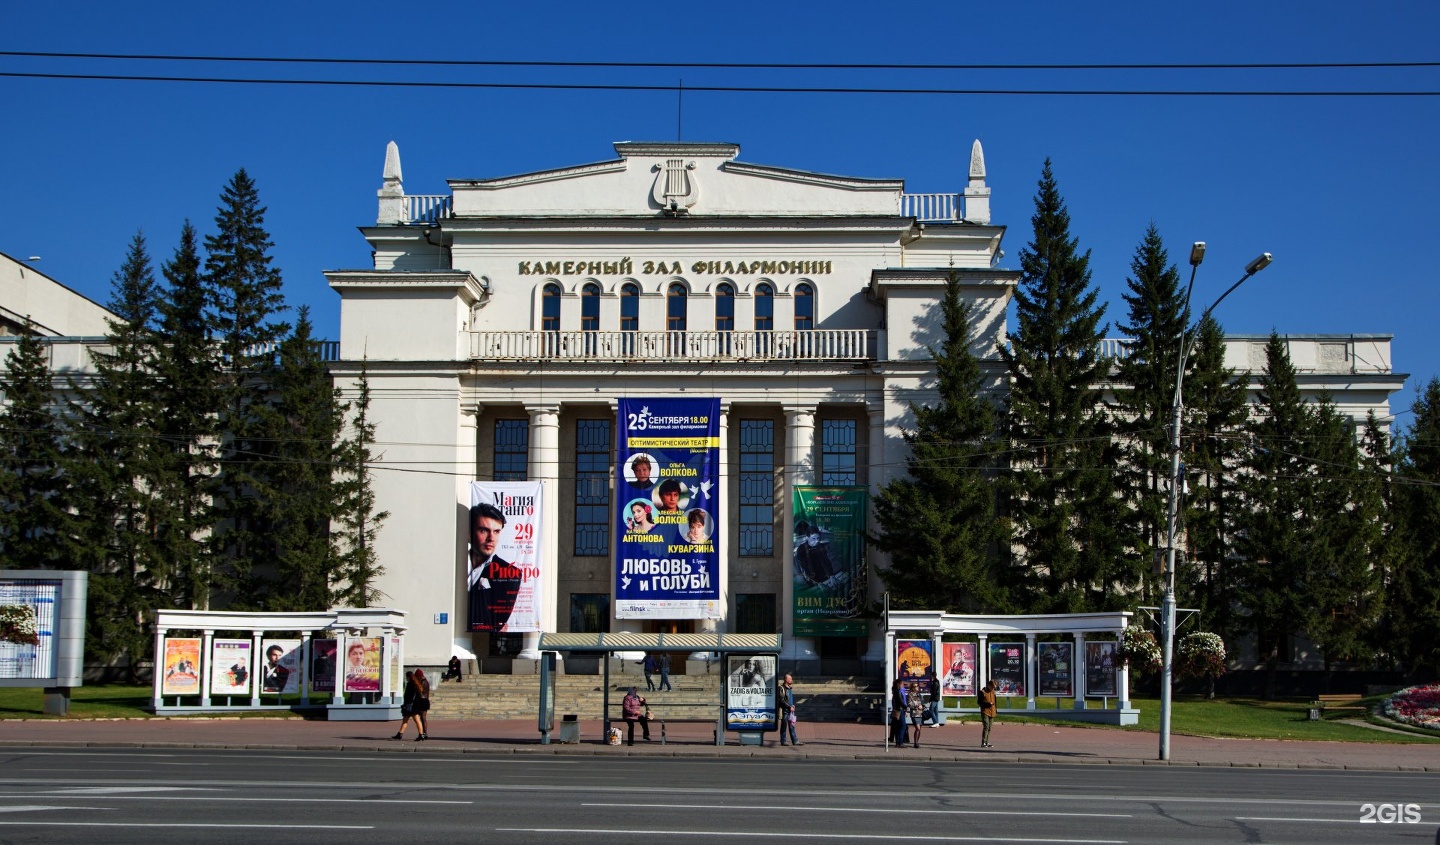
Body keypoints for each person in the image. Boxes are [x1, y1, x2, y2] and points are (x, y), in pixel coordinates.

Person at [467, 501, 523, 632]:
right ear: (469, 533)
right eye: (483, 530)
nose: (491, 538)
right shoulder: (451, 563)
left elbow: (496, 622)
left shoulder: (511, 573)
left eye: (496, 531)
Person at [394, 670, 419, 740]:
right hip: (412, 705)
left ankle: (421, 734)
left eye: (406, 677)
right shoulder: (415, 684)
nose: (406, 678)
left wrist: (407, 703)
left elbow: (409, 695)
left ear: (409, 677)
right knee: (413, 720)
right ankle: (400, 734)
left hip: (409, 705)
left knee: (412, 720)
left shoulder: (411, 684)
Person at [777, 673, 799, 746]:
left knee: (792, 726)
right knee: (784, 726)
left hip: (790, 710)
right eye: (790, 679)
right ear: (786, 679)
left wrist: (793, 705)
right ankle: (783, 741)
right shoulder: (781, 688)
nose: (791, 680)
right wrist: (789, 707)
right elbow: (781, 700)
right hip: (785, 711)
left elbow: (790, 699)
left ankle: (795, 741)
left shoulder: (790, 688)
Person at [411, 669, 431, 741]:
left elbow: (419, 691)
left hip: (422, 700)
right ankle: (423, 733)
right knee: (422, 718)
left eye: (416, 676)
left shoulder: (422, 682)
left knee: (422, 718)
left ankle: (423, 733)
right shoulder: (425, 681)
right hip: (424, 700)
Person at [978, 679, 997, 748]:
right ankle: (983, 742)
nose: (993, 689)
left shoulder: (993, 692)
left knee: (989, 728)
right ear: (989, 685)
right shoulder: (982, 692)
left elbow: (995, 702)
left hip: (992, 711)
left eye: (994, 687)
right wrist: (988, 704)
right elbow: (979, 702)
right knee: (986, 726)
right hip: (985, 711)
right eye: (992, 687)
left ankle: (987, 741)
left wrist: (996, 710)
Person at [889, 677, 908, 746]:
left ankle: (898, 742)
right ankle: (900, 742)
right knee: (902, 726)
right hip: (899, 711)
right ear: (898, 684)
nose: (902, 685)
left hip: (897, 710)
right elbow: (900, 701)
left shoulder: (896, 691)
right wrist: (906, 707)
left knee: (897, 726)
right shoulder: (897, 691)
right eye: (902, 684)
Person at [906, 682, 924, 748]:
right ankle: (915, 742)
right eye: (916, 686)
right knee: (917, 728)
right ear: (913, 688)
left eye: (917, 686)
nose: (917, 687)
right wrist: (917, 706)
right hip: (914, 713)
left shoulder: (919, 694)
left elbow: (922, 702)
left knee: (920, 729)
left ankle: (917, 742)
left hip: (920, 713)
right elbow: (909, 704)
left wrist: (922, 706)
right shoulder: (910, 695)